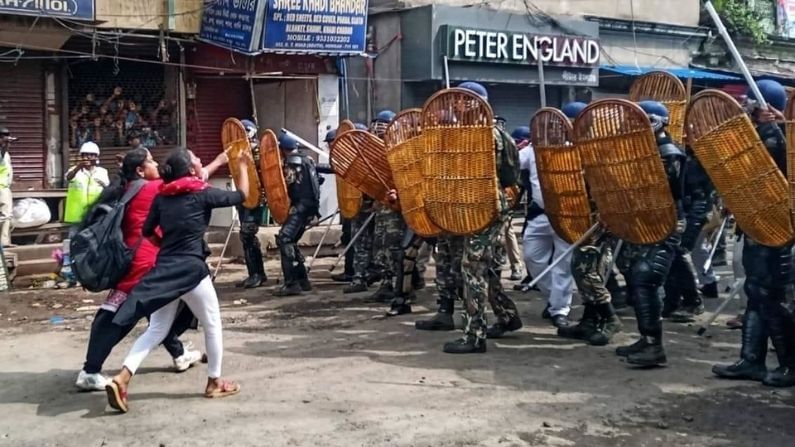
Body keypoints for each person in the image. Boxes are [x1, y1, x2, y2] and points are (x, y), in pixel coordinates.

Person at [106, 147, 249, 413]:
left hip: (165, 269)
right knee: (212, 324)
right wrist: (241, 166)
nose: (199, 161)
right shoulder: (201, 194)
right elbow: (242, 196)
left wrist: (167, 247)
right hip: (192, 270)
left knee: (156, 329)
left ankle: (122, 377)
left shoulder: (162, 197)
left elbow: (148, 231)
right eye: (195, 159)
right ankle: (215, 382)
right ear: (190, 169)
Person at [75, 148, 205, 391]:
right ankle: (90, 370)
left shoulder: (128, 187)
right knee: (119, 315)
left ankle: (179, 354)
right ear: (140, 170)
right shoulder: (150, 188)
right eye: (152, 161)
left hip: (138, 260)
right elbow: (193, 186)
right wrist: (207, 164)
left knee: (160, 311)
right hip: (144, 263)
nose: (157, 165)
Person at [713, 80, 795, 387]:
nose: (744, 107)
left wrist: (772, 128)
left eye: (750, 103)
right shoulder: (756, 135)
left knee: (773, 298)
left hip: (776, 230)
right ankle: (751, 360)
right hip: (754, 225)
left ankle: (790, 363)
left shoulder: (778, 138)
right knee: (755, 295)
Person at [443, 82, 521, 353]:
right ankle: (507, 316)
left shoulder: (472, 137)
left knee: (472, 268)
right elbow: (512, 176)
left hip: (480, 208)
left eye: (462, 101)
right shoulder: (499, 134)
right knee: (483, 267)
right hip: (490, 205)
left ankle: (474, 335)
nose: (455, 105)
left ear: (476, 104)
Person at [614, 101, 686, 367]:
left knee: (647, 278)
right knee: (636, 276)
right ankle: (647, 338)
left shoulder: (667, 153)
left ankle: (655, 347)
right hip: (646, 222)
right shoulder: (646, 150)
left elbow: (664, 193)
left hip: (664, 223)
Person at [520, 103, 582, 329]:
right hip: (540, 214)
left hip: (568, 213)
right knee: (532, 257)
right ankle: (554, 298)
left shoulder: (580, 150)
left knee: (563, 265)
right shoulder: (535, 148)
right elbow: (514, 162)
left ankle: (560, 310)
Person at [272, 133, 326, 296]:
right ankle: (302, 281)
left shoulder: (292, 162)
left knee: (285, 238)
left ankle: (292, 283)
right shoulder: (307, 160)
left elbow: (289, 184)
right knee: (292, 240)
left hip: (300, 206)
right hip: (310, 206)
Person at [235, 119, 267, 289]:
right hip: (243, 197)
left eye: (246, 131)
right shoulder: (239, 150)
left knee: (247, 233)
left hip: (256, 197)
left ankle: (257, 274)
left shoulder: (259, 150)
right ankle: (255, 273)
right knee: (245, 237)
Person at [64, 142, 110, 240]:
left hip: (95, 214)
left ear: (97, 157)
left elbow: (108, 189)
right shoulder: (74, 170)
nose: (88, 157)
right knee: (74, 241)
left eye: (92, 155)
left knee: (93, 241)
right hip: (77, 215)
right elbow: (68, 178)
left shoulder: (102, 172)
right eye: (86, 155)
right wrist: (78, 168)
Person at [0, 127, 14, 247]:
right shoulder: (2, 152)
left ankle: (5, 241)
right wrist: (5, 146)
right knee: (5, 215)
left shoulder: (5, 153)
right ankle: (4, 242)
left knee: (6, 215)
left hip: (5, 187)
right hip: (1, 187)